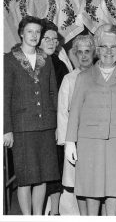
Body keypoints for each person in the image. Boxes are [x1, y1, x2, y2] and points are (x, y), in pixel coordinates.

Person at [64, 24, 116, 215]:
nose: (108, 51)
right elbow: (75, 112)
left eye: (113, 47)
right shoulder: (83, 77)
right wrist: (70, 141)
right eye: (104, 46)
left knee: (115, 186)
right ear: (97, 49)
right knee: (91, 185)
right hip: (89, 139)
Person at [4, 15, 60, 215]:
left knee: (43, 176)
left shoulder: (46, 59)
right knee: (26, 177)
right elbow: (5, 97)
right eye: (30, 31)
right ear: (21, 33)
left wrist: (56, 126)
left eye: (38, 32)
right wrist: (6, 130)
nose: (34, 35)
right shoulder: (8, 60)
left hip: (46, 126)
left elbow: (53, 93)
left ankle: (38, 216)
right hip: (22, 128)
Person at [57, 35, 96, 215]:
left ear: (94, 53)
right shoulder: (69, 79)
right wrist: (68, 143)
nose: (84, 56)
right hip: (77, 140)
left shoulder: (101, 75)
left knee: (97, 182)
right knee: (78, 183)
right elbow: (63, 112)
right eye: (79, 52)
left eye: (87, 51)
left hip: (97, 139)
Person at [39, 18, 72, 216]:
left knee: (55, 168)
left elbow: (64, 100)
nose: (52, 43)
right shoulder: (30, 63)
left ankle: (55, 211)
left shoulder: (59, 65)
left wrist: (60, 126)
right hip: (36, 125)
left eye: (54, 39)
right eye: (47, 39)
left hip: (56, 125)